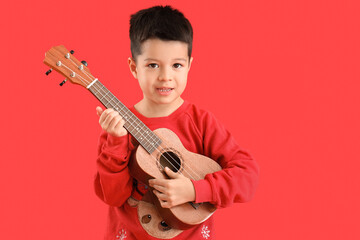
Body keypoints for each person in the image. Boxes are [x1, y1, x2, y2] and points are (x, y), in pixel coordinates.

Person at [94, 5, 259, 240]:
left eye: (177, 65)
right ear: (134, 67)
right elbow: (113, 197)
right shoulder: (118, 127)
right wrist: (116, 141)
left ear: (190, 65)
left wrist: (195, 189)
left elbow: (248, 176)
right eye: (153, 65)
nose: (165, 76)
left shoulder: (201, 122)